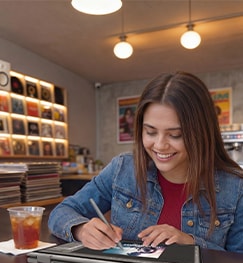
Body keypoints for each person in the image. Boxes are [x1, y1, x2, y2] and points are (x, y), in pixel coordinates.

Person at [48, 71, 243, 252]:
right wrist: (81, 230)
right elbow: (61, 212)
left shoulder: (235, 188)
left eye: (175, 135)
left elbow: (237, 262)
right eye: (150, 132)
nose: (159, 145)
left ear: (201, 133)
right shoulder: (122, 169)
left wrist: (191, 243)